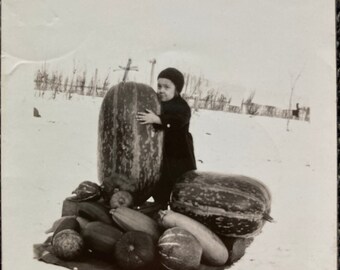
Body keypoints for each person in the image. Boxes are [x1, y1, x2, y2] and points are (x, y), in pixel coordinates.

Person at [136, 67, 197, 208]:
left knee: (178, 183)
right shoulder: (157, 103)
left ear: (176, 89)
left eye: (167, 87)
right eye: (159, 86)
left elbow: (178, 121)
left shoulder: (182, 106)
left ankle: (180, 209)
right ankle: (160, 206)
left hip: (179, 153)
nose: (161, 90)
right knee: (161, 183)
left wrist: (157, 119)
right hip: (162, 153)